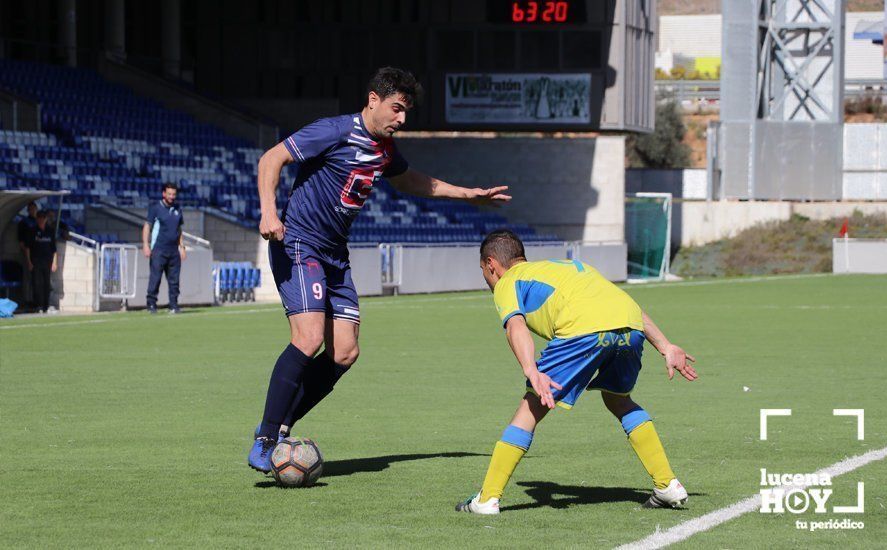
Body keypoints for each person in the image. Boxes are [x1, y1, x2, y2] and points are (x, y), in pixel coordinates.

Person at [248, 67, 512, 472]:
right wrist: (269, 211)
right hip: (299, 242)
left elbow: (411, 181)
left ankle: (282, 424)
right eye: (397, 108)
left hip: (335, 254)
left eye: (406, 112)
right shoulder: (334, 131)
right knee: (309, 337)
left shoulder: (385, 149)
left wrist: (466, 194)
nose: (401, 119)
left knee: (346, 351)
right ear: (373, 100)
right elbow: (272, 157)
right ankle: (266, 438)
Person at [455, 230, 698, 515]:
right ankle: (668, 485)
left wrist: (531, 370)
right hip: (630, 328)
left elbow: (515, 326)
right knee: (619, 399)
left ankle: (487, 499)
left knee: (531, 407)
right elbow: (621, 304)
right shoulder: (569, 267)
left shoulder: (509, 281)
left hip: (583, 330)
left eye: (483, 270)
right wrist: (665, 345)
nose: (485, 277)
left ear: (491, 264)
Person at [143, 183, 186, 314]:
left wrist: (182, 247)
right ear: (164, 194)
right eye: (169, 194)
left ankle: (173, 305)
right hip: (159, 250)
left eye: (174, 194)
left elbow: (179, 229)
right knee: (155, 279)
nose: (172, 197)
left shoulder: (178, 208)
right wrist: (145, 244)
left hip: (174, 251)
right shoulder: (155, 208)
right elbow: (147, 226)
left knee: (174, 281)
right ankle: (151, 305)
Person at [24, 210, 58, 314]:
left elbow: (54, 249)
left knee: (47, 284)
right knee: (37, 284)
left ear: (46, 219)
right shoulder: (32, 230)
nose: (41, 220)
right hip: (36, 261)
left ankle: (45, 305)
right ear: (37, 218)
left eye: (43, 218)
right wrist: (29, 261)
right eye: (39, 217)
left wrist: (54, 262)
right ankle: (38, 305)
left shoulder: (50, 231)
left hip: (47, 261)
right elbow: (27, 248)